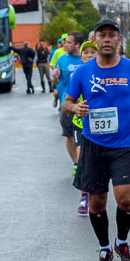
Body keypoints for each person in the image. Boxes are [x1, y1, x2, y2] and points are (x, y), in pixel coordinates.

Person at [63, 19, 130, 261]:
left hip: (124, 143)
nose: (106, 39)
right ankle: (105, 249)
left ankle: (122, 243)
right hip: (93, 144)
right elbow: (67, 102)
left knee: (125, 199)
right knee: (97, 203)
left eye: (111, 35)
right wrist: (76, 107)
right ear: (95, 40)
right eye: (102, 35)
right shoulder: (83, 72)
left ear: (118, 40)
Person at [53, 32, 86, 214]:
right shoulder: (62, 59)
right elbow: (57, 79)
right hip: (68, 104)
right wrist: (55, 78)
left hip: (86, 107)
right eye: (65, 42)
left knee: (82, 140)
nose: (66, 44)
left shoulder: (85, 60)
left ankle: (82, 163)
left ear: (78, 45)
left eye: (70, 42)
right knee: (68, 135)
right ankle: (76, 162)